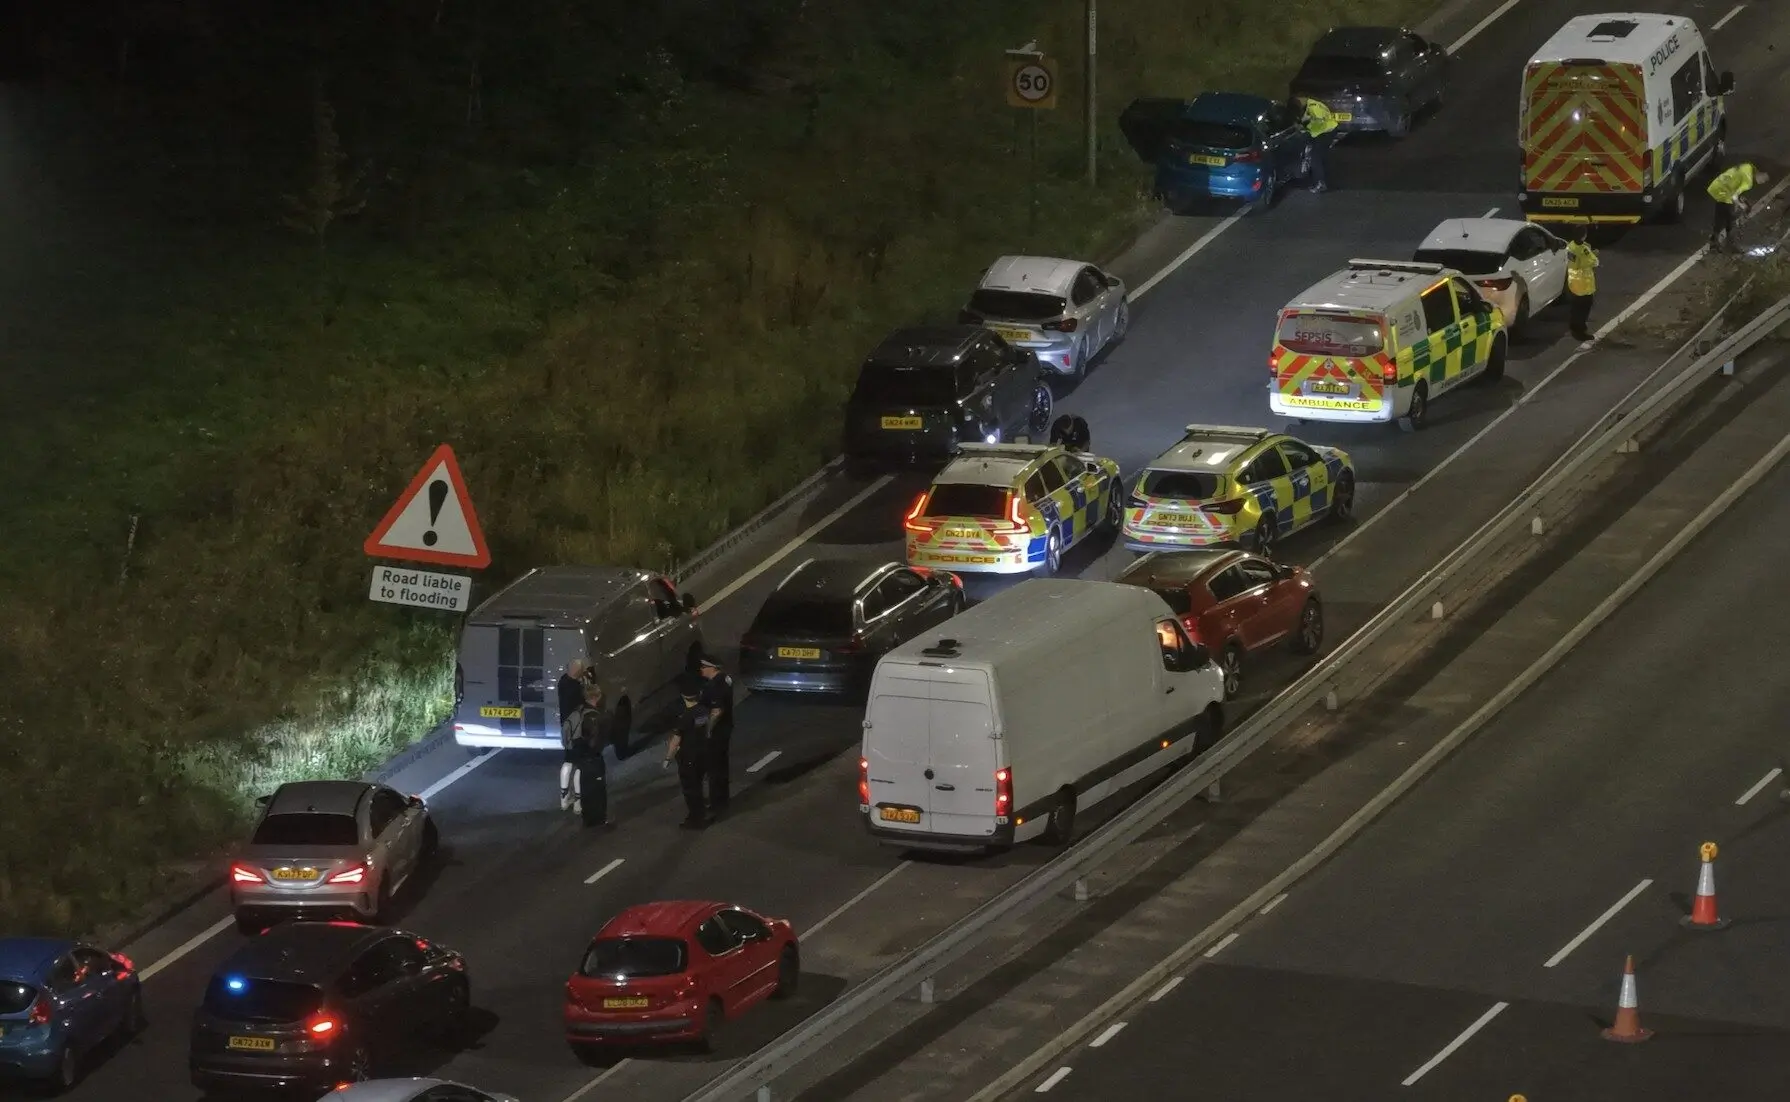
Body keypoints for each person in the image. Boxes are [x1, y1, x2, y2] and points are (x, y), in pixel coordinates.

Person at [663, 682, 712, 829]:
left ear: (684, 698)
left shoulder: (685, 717)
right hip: (703, 753)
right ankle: (703, 809)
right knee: (698, 783)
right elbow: (708, 728)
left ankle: (696, 819)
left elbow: (676, 740)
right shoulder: (703, 711)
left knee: (690, 788)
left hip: (688, 757)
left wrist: (667, 758)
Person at [698, 655, 736, 815]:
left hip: (717, 732)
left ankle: (716, 802)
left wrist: (708, 730)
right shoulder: (725, 679)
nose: (701, 669)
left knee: (714, 768)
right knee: (721, 765)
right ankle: (722, 798)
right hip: (725, 728)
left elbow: (716, 710)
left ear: (712, 668)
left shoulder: (715, 686)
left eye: (703, 667)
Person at [571, 683, 612, 827]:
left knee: (585, 787)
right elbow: (594, 742)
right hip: (592, 758)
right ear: (597, 697)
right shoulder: (595, 716)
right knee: (598, 789)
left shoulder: (579, 711)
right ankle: (600, 820)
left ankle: (587, 819)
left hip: (580, 757)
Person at [1708, 162, 1770, 252]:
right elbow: (1734, 196)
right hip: (1723, 191)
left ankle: (1720, 241)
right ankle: (1719, 243)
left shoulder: (1750, 166)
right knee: (1724, 217)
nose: (1761, 182)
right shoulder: (1749, 183)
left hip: (1719, 184)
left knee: (1724, 216)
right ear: (1760, 175)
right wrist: (1742, 205)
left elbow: (1737, 181)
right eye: (1763, 180)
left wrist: (1739, 199)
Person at [557, 659, 593, 810]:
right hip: (578, 729)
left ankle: (564, 798)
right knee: (580, 764)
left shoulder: (562, 682)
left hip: (566, 727)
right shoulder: (577, 689)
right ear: (578, 671)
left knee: (568, 761)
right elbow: (587, 699)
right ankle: (578, 801)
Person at [1565, 224, 1599, 343]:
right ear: (1584, 236)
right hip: (1584, 283)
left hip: (1573, 281)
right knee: (1584, 308)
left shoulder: (1570, 246)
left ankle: (1574, 326)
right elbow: (1594, 262)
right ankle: (1580, 331)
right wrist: (1593, 254)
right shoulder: (1583, 250)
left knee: (1575, 307)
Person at [1298, 96, 1339, 194]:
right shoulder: (1316, 104)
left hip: (1325, 132)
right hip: (1329, 130)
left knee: (1315, 157)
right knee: (1321, 156)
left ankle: (1320, 183)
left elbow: (1319, 119)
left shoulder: (1313, 106)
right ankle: (1324, 179)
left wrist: (1307, 123)